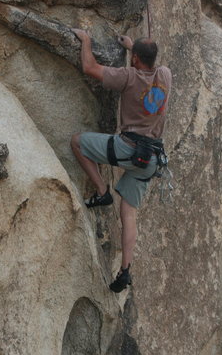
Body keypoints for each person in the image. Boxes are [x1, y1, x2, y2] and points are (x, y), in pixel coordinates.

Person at [71, 30, 172, 292]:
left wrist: (86, 40)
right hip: (150, 158)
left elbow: (89, 67)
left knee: (78, 142)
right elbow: (150, 69)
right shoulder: (166, 76)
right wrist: (131, 49)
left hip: (127, 148)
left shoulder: (127, 77)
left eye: (134, 56)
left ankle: (102, 191)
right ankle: (125, 270)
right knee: (129, 214)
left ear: (136, 58)